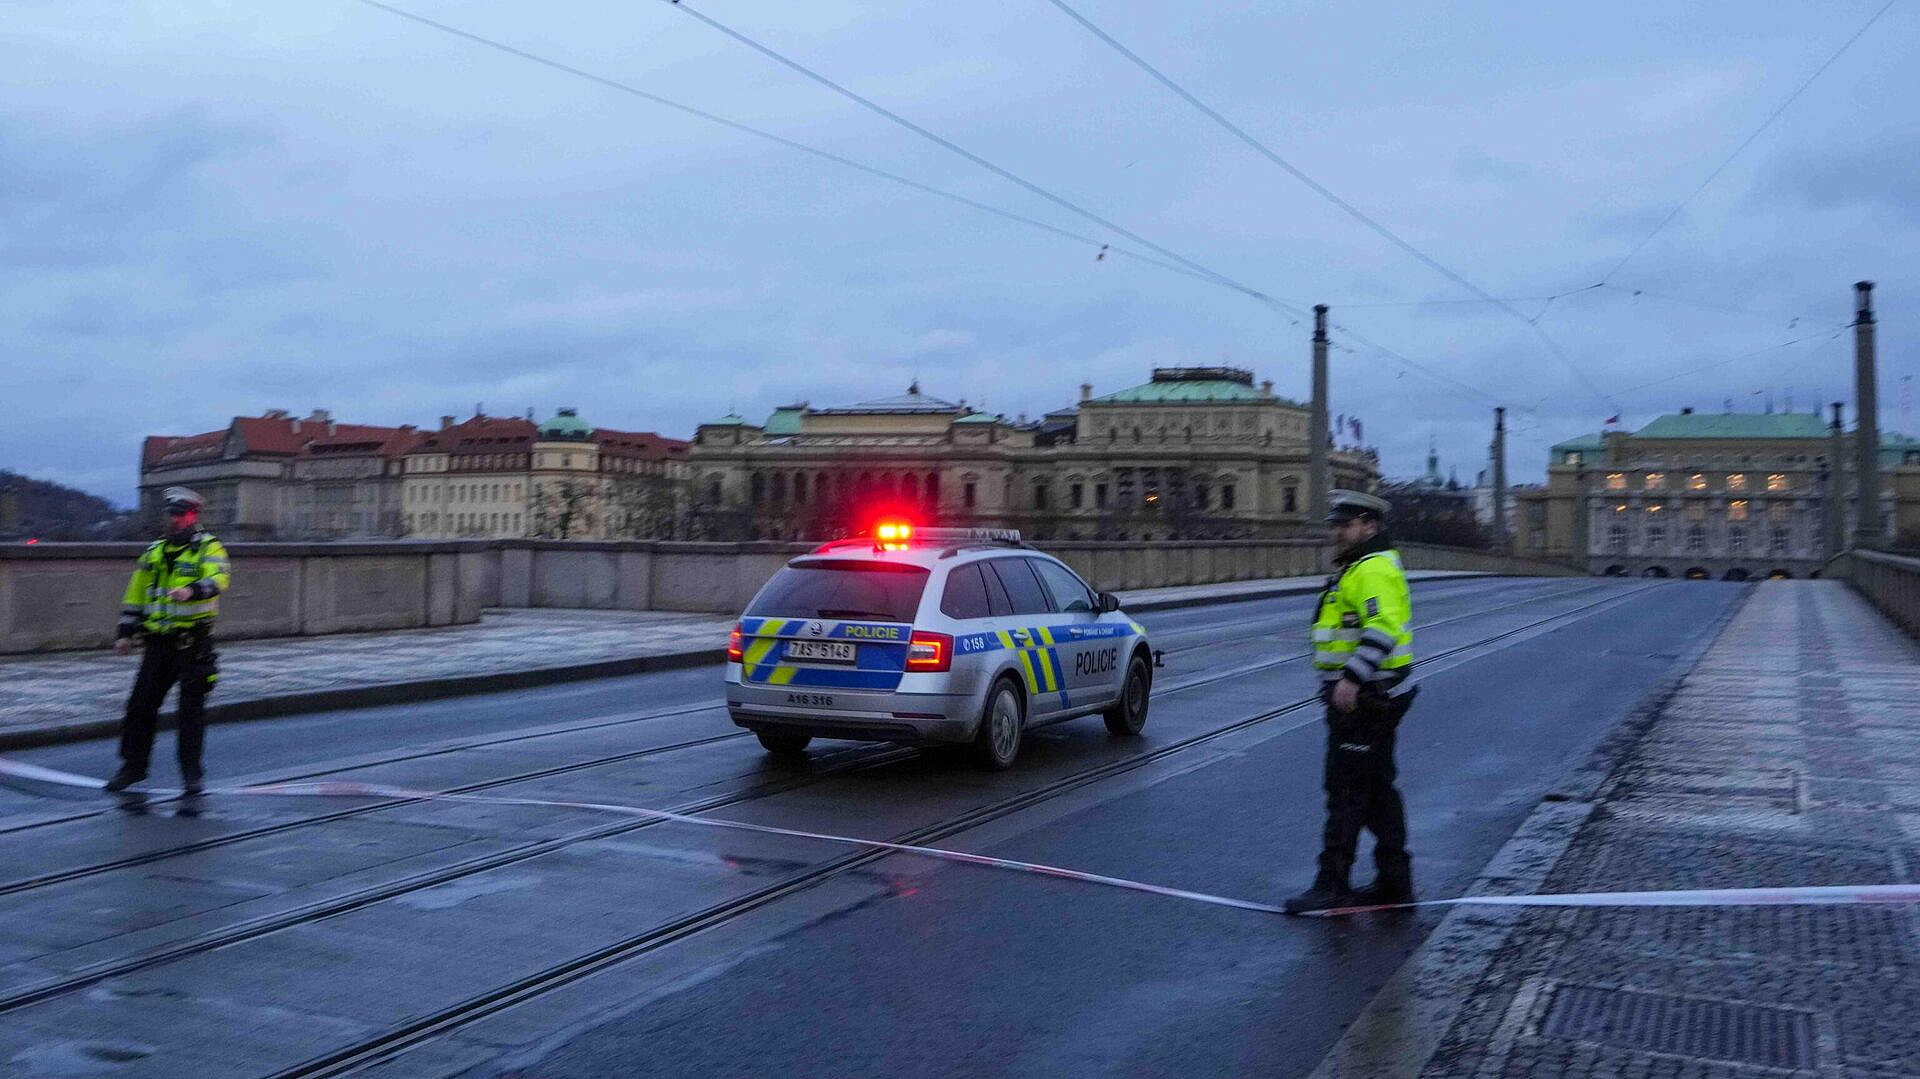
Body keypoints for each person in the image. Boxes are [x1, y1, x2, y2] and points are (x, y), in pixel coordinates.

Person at [1285, 489, 1418, 914]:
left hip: (1363, 700)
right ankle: (1394, 883)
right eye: (1335, 525)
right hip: (1372, 697)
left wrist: (1350, 680)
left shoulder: (1372, 569)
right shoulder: (1361, 567)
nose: (1337, 533)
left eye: (1345, 525)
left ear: (1369, 526)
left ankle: (1332, 884)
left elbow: (1384, 628)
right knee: (1378, 794)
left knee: (1345, 794)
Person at [105, 487, 231, 793]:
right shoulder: (154, 552)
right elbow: (135, 595)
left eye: (181, 515)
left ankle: (191, 775)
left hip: (193, 642)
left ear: (193, 516)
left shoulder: (209, 548)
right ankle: (133, 768)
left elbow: (218, 579)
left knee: (190, 713)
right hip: (158, 644)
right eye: (172, 515)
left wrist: (192, 591)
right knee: (140, 707)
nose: (175, 520)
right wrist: (126, 633)